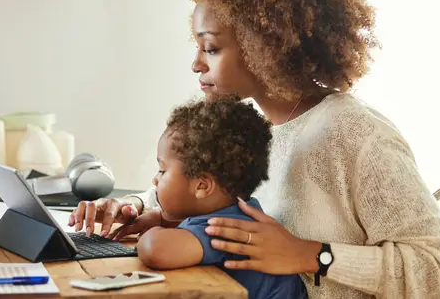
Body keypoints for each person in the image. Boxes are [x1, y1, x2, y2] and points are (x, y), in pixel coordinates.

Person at [68, 0, 440, 299]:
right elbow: (209, 197)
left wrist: (313, 255)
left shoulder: (356, 134)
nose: (196, 65)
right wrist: (140, 207)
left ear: (268, 44)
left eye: (211, 48)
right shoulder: (254, 129)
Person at [131, 95, 308, 299]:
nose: (155, 180)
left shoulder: (228, 228)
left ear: (202, 185)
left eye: (162, 170)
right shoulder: (242, 211)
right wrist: (160, 219)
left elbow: (156, 249)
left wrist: (151, 234)